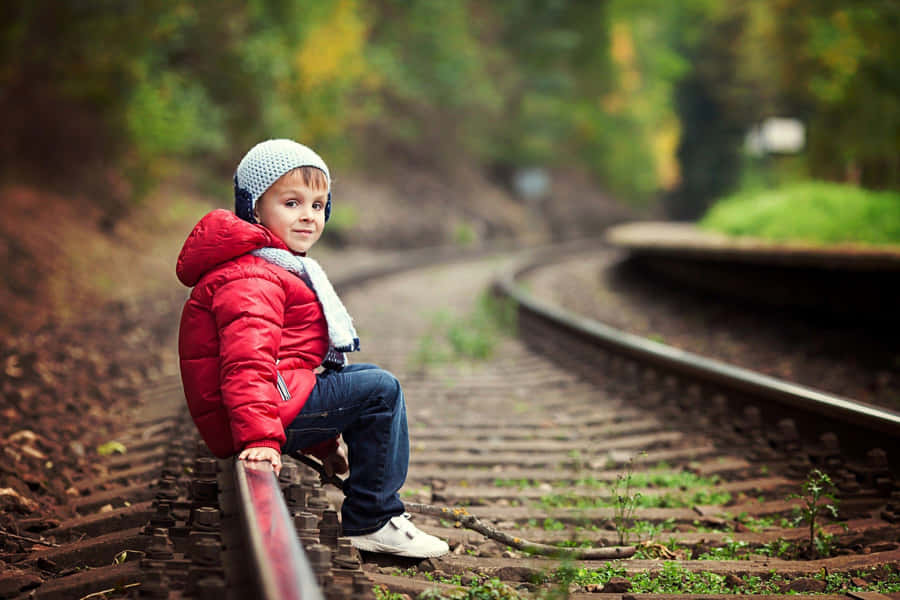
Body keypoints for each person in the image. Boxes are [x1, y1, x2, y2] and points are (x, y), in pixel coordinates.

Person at [176, 139, 449, 558]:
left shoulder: (266, 263)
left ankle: (371, 509)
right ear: (253, 207)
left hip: (262, 402)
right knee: (381, 389)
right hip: (248, 415)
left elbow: (285, 366)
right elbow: (247, 365)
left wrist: (320, 441)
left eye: (318, 205)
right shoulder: (254, 276)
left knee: (361, 379)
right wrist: (262, 439)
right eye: (291, 202)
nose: (308, 216)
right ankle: (374, 518)